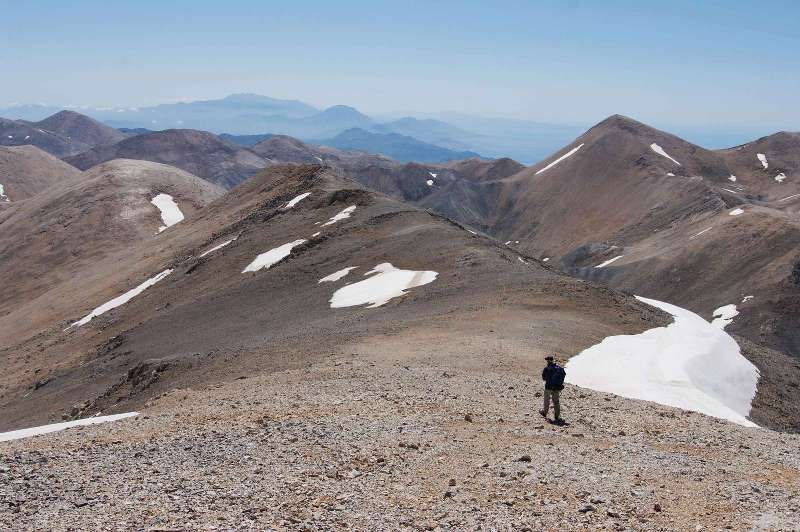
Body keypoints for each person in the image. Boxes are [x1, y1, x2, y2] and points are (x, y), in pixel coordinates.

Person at [540, 355, 566, 423]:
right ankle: (557, 416)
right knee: (556, 402)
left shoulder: (546, 368)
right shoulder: (559, 368)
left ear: (548, 361)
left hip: (548, 387)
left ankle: (544, 412)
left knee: (546, 400)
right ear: (553, 360)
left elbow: (544, 378)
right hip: (556, 387)